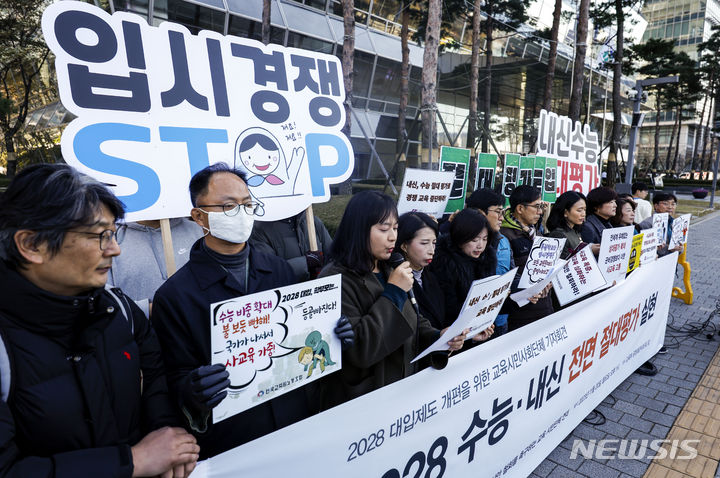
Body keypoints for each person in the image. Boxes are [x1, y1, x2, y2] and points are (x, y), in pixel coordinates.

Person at [0, 164, 199, 477]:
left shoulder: (118, 309)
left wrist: (167, 438)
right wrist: (132, 462)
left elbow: (155, 378)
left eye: (114, 233)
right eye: (99, 236)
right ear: (31, 244)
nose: (115, 249)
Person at [151, 163, 334, 459]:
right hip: (234, 441)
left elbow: (300, 338)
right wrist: (192, 389)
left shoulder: (279, 270)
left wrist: (332, 333)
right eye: (228, 205)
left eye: (247, 204)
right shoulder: (174, 296)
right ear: (199, 216)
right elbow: (171, 377)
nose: (241, 212)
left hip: (296, 423)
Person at [316, 191, 466, 411]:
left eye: (395, 228)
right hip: (364, 403)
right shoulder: (335, 279)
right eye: (384, 229)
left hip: (403, 391)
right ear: (358, 230)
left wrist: (440, 338)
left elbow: (414, 319)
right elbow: (361, 349)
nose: (392, 237)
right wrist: (394, 291)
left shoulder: (389, 267)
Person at [108, 218, 202, 315]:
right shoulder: (110, 239)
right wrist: (154, 309)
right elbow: (105, 307)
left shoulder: (200, 231)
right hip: (140, 328)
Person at [430, 209, 497, 331]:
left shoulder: (488, 259)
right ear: (460, 237)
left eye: (485, 239)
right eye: (475, 240)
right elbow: (448, 308)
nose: (480, 245)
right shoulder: (444, 263)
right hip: (453, 333)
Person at [500, 185, 554, 330]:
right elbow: (507, 276)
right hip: (520, 315)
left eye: (541, 206)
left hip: (544, 307)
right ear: (520, 209)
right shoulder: (505, 236)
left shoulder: (536, 232)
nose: (540, 211)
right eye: (536, 206)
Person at [466, 188, 514, 337]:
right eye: (498, 212)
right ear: (481, 212)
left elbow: (512, 274)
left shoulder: (503, 240)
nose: (502, 217)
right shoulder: (463, 244)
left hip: (499, 321)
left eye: (503, 212)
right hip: (469, 330)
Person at [248, 210, 332, 281]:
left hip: (320, 293)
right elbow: (268, 273)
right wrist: (305, 263)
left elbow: (333, 257)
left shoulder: (313, 221)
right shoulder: (259, 230)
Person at [396, 212, 445, 329]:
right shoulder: (396, 280)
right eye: (424, 243)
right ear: (404, 246)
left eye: (434, 243)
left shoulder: (432, 276)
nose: (431, 251)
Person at [638, 192, 682, 256]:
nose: (670, 207)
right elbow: (646, 249)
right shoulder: (648, 223)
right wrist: (669, 248)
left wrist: (680, 248)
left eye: (673, 204)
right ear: (656, 206)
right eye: (665, 204)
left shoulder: (674, 222)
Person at [546, 191, 587, 259]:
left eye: (585, 210)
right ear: (565, 212)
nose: (583, 214)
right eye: (579, 210)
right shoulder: (558, 234)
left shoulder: (575, 230)